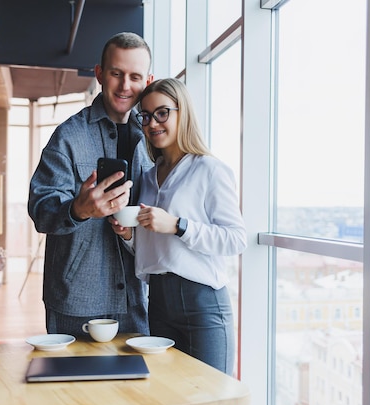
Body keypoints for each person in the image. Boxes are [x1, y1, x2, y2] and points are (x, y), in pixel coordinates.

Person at [112, 78, 247, 375]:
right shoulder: (147, 177)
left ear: (182, 113)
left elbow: (236, 239)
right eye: (145, 116)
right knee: (169, 400)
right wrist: (129, 236)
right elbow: (156, 247)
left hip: (203, 305)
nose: (152, 123)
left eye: (162, 113)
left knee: (211, 403)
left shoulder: (210, 170)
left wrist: (178, 225)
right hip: (158, 303)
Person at [28, 32, 155, 337]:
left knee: (135, 385)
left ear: (148, 81)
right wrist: (78, 209)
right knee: (71, 384)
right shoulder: (68, 136)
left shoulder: (156, 137)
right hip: (77, 301)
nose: (126, 86)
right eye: (116, 74)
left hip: (139, 298)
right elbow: (40, 211)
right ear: (99, 74)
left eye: (135, 76)